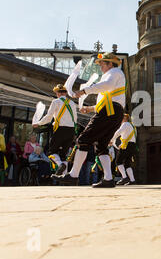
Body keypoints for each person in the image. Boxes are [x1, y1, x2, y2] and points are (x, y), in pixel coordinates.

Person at [53, 52, 125, 188]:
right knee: (102, 145)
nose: (101, 67)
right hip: (114, 111)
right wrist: (91, 109)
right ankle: (108, 179)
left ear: (110, 63)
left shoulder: (113, 72)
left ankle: (73, 175)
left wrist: (85, 91)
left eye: (102, 64)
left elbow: (106, 86)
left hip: (110, 111)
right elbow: (107, 99)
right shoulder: (116, 75)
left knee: (84, 139)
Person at [33, 84, 77, 177]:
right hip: (71, 130)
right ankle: (64, 177)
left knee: (51, 152)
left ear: (58, 93)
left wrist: (39, 123)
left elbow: (49, 117)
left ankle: (60, 165)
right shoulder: (72, 103)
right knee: (63, 154)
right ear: (65, 93)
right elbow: (75, 119)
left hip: (60, 129)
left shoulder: (56, 101)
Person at [111, 114, 137, 186]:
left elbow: (118, 132)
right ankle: (132, 180)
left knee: (118, 161)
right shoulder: (132, 126)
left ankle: (124, 177)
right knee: (127, 163)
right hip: (132, 145)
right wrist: (120, 144)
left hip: (127, 145)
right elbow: (128, 137)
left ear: (124, 119)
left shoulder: (125, 124)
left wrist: (111, 140)